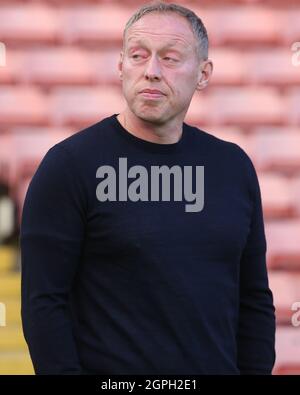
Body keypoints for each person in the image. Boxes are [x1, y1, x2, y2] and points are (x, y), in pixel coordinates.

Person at [20, 1, 276, 375]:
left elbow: (254, 299)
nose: (151, 72)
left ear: (204, 73)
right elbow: (43, 305)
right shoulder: (69, 166)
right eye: (139, 56)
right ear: (121, 66)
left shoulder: (233, 167)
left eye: (170, 58)